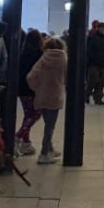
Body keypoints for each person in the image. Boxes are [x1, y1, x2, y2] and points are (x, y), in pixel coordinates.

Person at [25, 37, 66, 164]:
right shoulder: (64, 59)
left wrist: (37, 87)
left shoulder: (43, 59)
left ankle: (50, 149)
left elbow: (30, 77)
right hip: (55, 95)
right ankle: (44, 153)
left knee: (48, 124)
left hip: (42, 95)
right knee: (50, 126)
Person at [15, 29, 43, 157]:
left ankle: (26, 142)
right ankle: (18, 136)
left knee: (28, 114)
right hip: (32, 88)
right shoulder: (39, 54)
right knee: (35, 114)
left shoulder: (22, 52)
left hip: (21, 88)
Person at [86, 22, 104, 105]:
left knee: (102, 82)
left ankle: (98, 99)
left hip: (103, 64)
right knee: (92, 81)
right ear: (99, 28)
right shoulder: (93, 37)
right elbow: (89, 51)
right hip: (94, 64)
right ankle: (85, 97)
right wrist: (93, 60)